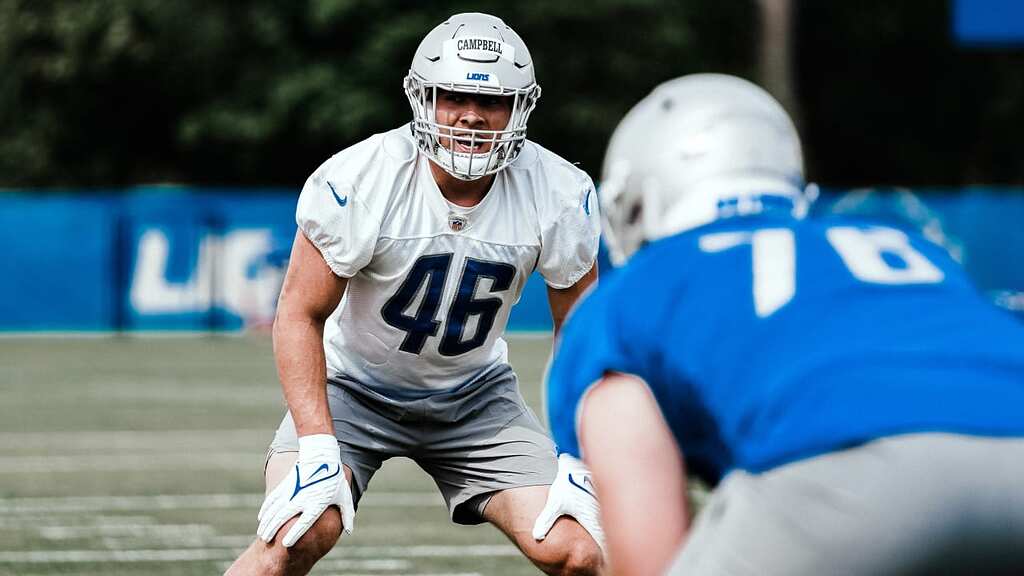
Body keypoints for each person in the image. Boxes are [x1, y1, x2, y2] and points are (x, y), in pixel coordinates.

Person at [545, 73, 1024, 576]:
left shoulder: (631, 293)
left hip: (844, 482)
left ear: (641, 200)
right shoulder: (903, 246)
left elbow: (648, 551)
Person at [226, 12, 605, 576]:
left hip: (477, 398)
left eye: (493, 102)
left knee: (581, 550)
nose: (472, 117)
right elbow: (298, 315)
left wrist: (580, 450)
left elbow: (584, 334)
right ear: (421, 97)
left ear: (520, 108)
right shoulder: (363, 177)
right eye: (453, 96)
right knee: (297, 531)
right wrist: (317, 446)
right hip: (352, 388)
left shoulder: (556, 190)